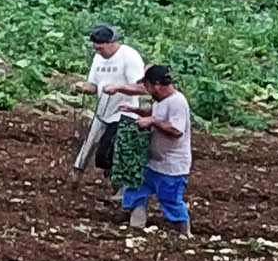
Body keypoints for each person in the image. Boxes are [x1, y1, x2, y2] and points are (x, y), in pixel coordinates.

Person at [69, 24, 146, 204]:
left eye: (101, 48)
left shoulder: (129, 56)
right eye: (96, 49)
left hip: (123, 113)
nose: (98, 52)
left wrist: (119, 88)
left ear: (112, 42)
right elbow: (94, 86)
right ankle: (74, 180)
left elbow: (142, 88)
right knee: (87, 148)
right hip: (102, 112)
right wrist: (83, 87)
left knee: (108, 152)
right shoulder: (98, 58)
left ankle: (119, 187)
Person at [123, 65, 192, 234]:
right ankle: (137, 220)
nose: (146, 90)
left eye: (147, 85)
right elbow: (155, 112)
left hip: (171, 165)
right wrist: (136, 111)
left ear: (157, 85)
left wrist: (153, 122)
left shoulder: (177, 102)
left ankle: (183, 230)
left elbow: (176, 130)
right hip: (154, 161)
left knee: (170, 199)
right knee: (136, 186)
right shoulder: (160, 100)